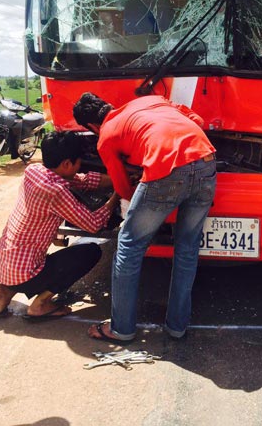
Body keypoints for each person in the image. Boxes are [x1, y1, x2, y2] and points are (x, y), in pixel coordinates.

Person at [73, 92, 216, 343]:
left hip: (166, 171)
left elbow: (121, 187)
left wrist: (138, 197)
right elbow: (198, 120)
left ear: (92, 126)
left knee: (129, 246)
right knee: (187, 248)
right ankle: (177, 326)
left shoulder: (105, 136)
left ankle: (121, 329)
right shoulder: (150, 100)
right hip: (205, 160)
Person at [0, 131, 119, 320]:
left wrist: (117, 177)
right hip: (28, 273)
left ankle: (6, 290)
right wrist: (117, 194)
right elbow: (93, 224)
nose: (80, 166)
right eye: (78, 162)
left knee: (32, 263)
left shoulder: (34, 171)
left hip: (6, 267)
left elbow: (80, 180)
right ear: (66, 164)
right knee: (90, 252)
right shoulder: (56, 192)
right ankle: (41, 304)